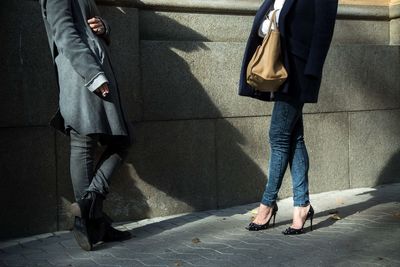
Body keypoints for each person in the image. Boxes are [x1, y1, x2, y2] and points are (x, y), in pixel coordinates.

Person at [239, 0, 338, 234]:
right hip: (281, 68)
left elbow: (324, 27)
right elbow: (266, 26)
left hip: (300, 71)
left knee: (278, 135)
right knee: (294, 137)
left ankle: (267, 205)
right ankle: (302, 205)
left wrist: (313, 70)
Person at [40, 0, 132, 250]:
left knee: (116, 141)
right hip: (81, 74)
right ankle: (92, 217)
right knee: (86, 141)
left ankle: (90, 212)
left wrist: (104, 26)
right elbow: (65, 33)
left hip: (92, 70)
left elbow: (89, 24)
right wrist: (92, 74)